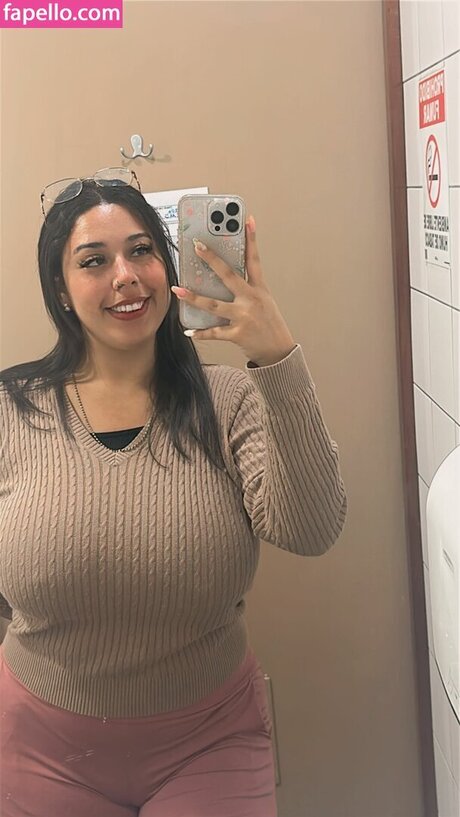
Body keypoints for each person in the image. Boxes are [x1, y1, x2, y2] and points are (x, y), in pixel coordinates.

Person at [0, 167, 348, 817]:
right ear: (61, 288)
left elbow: (312, 528)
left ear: (168, 264)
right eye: (94, 260)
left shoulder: (229, 400)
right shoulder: (10, 409)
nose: (125, 276)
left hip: (209, 741)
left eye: (141, 251)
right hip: (38, 742)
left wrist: (275, 356)